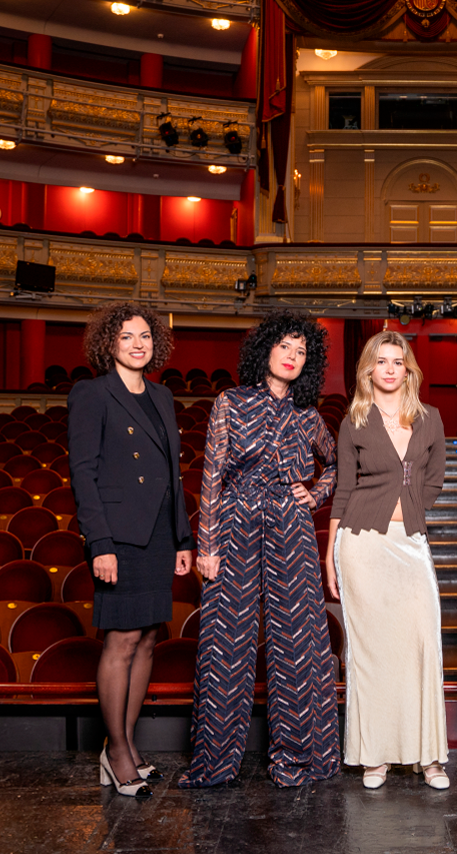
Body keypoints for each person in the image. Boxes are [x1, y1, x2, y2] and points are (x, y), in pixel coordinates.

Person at [179, 310, 340, 789]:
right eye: (285, 347)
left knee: (298, 643)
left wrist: (314, 494)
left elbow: (335, 465)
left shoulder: (308, 415)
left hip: (291, 527)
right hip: (235, 523)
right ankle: (215, 764)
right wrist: (205, 544)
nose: (292, 357)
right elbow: (211, 475)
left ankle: (299, 759)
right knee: (226, 643)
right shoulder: (231, 402)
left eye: (301, 352)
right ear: (265, 350)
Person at [68, 302, 195, 799]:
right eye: (127, 337)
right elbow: (84, 473)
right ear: (109, 344)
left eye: (145, 336)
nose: (138, 343)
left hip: (158, 537)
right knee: (120, 641)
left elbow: (172, 476)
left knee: (146, 641)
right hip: (118, 536)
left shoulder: (161, 395)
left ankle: (129, 743)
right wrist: (99, 543)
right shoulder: (91, 393)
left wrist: (183, 538)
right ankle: (115, 749)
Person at [325, 330, 449, 790]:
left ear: (408, 369)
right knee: (372, 655)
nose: (391, 369)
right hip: (361, 544)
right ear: (369, 370)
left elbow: (434, 480)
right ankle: (374, 755)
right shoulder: (354, 420)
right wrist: (330, 554)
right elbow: (342, 491)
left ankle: (428, 756)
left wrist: (413, 505)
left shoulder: (430, 418)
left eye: (398, 361)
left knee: (422, 645)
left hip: (410, 543)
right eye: (382, 361)